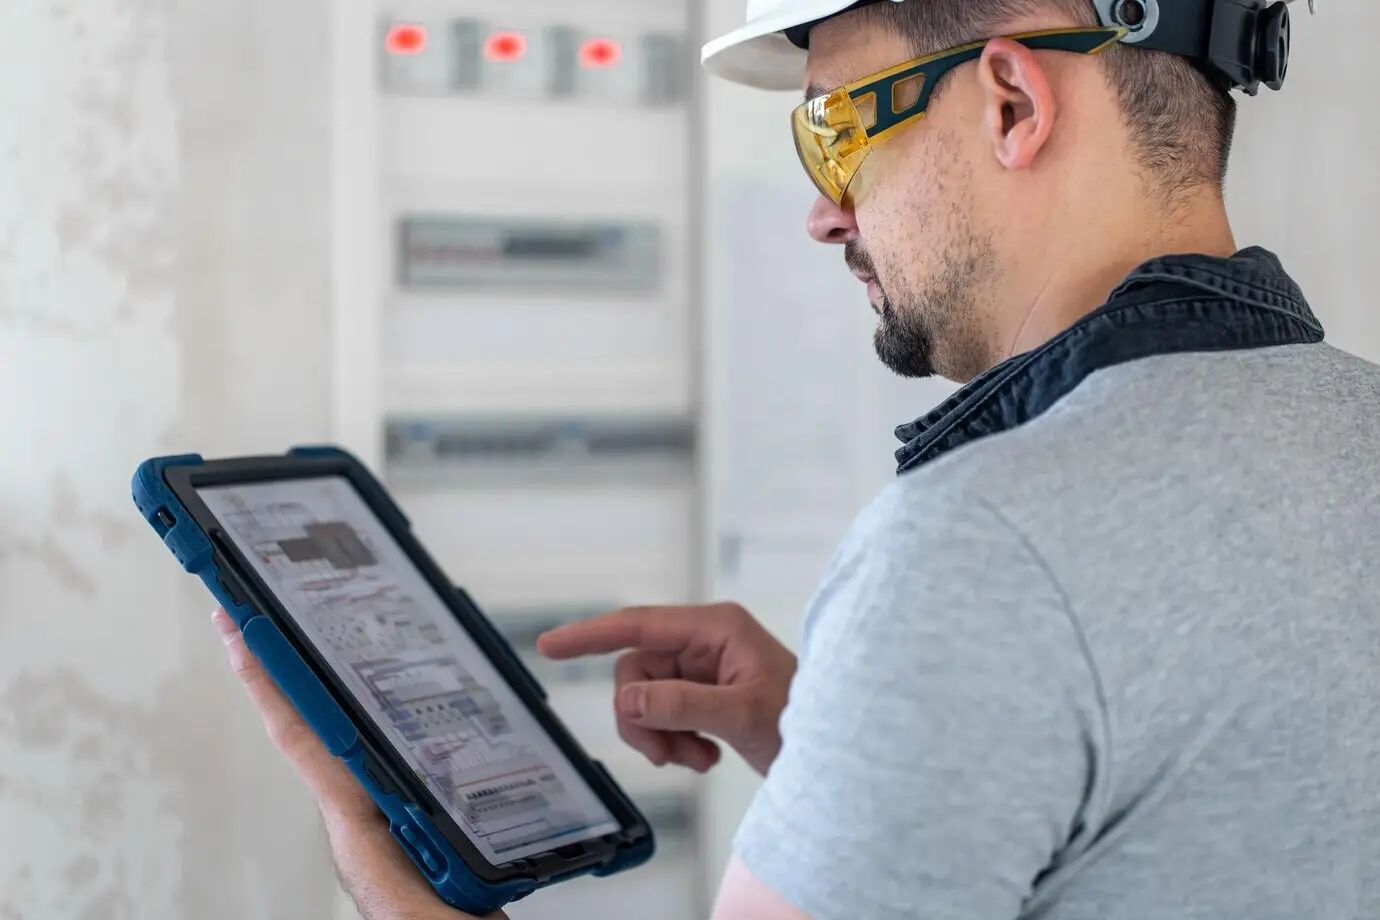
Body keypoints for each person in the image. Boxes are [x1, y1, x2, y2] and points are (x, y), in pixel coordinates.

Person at [216, 0, 1380, 918]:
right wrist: (850, 739)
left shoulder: (986, 547)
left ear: (1013, 101)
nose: (824, 213)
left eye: (832, 128)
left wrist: (386, 873)